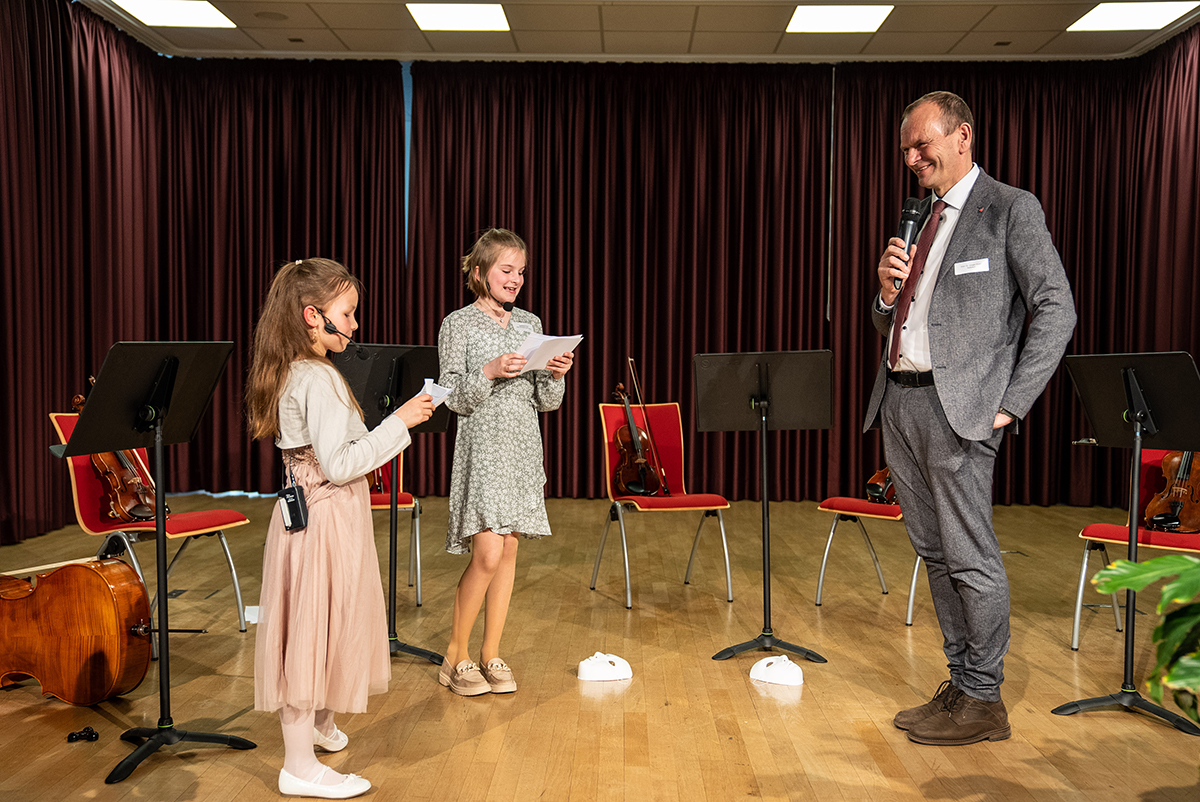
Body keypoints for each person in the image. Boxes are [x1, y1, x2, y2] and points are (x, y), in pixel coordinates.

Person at [862, 92, 1076, 746]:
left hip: (961, 411)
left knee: (969, 554)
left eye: (922, 143)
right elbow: (898, 321)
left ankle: (985, 697)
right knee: (933, 552)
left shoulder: (1010, 208)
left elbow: (1056, 307)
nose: (912, 157)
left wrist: (1011, 402)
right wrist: (885, 296)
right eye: (905, 148)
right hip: (900, 400)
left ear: (963, 136)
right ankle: (961, 683)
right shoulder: (922, 218)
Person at [246, 258, 434, 798]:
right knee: (312, 631)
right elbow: (340, 463)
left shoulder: (296, 370)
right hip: (325, 519)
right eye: (347, 313)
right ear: (313, 316)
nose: (354, 325)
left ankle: (320, 724)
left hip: (314, 515)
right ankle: (298, 767)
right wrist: (400, 422)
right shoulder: (319, 377)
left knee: (324, 620)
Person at [436, 228, 574, 696]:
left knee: (508, 551)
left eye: (521, 271)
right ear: (480, 273)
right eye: (506, 270)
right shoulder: (457, 324)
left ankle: (490, 652)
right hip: (482, 448)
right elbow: (452, 397)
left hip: (522, 448)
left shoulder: (530, 323)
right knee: (487, 553)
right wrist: (489, 370)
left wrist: (556, 374)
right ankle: (455, 654)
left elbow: (547, 402)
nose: (515, 279)